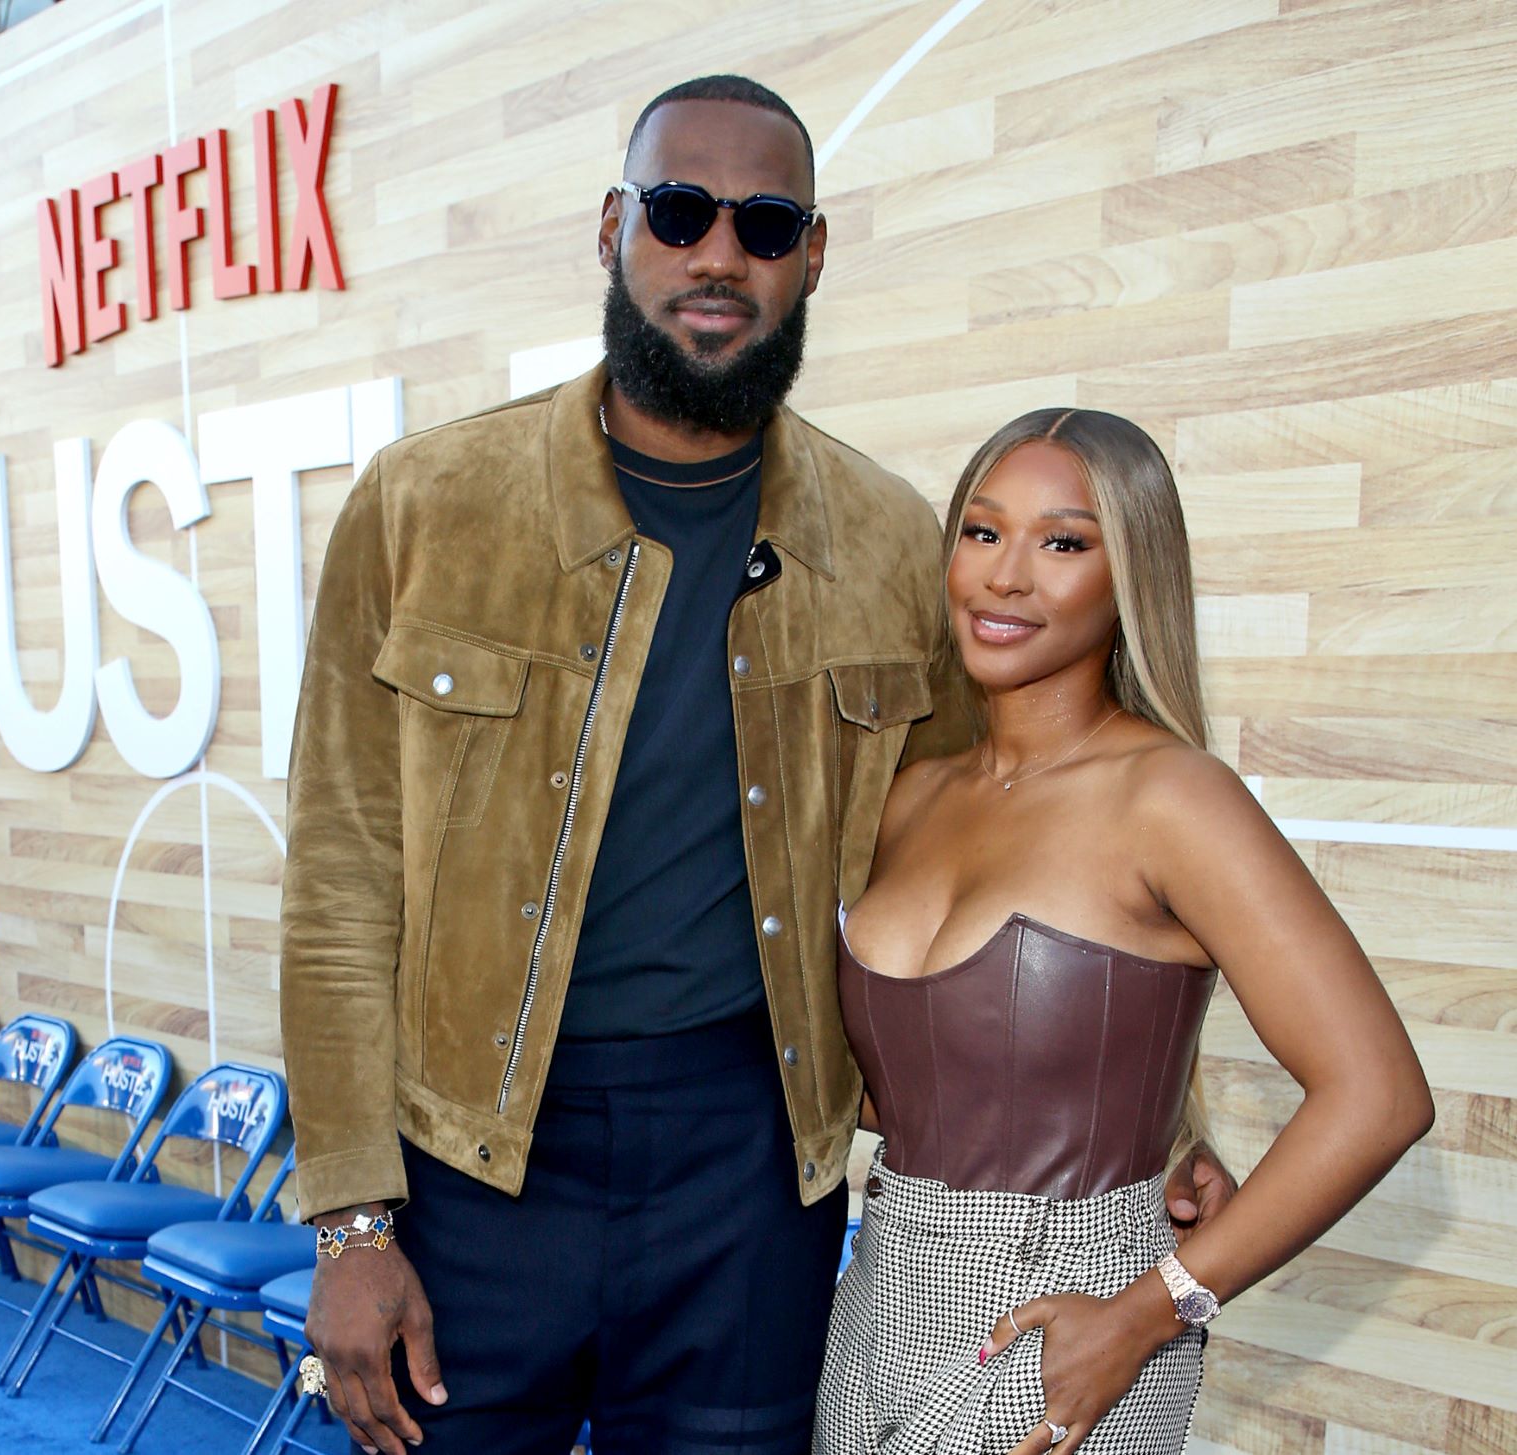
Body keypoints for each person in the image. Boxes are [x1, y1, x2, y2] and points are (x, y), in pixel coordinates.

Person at [280, 77, 1229, 1455]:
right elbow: (340, 877)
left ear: (814, 257)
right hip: (471, 1162)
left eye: (766, 225)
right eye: (680, 213)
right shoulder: (424, 507)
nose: (719, 255)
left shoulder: (898, 544)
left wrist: (1157, 1124)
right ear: (614, 229)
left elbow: (1028, 850)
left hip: (751, 1167)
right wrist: (353, 1223)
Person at [812, 409, 1434, 1455]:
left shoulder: (1173, 798)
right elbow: (918, 1074)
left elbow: (1379, 1097)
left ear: (1128, 574)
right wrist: (1166, 1131)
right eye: (980, 531)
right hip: (874, 1296)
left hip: (1069, 1317)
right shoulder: (908, 792)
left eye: (1063, 542)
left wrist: (1158, 1309)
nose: (1006, 577)